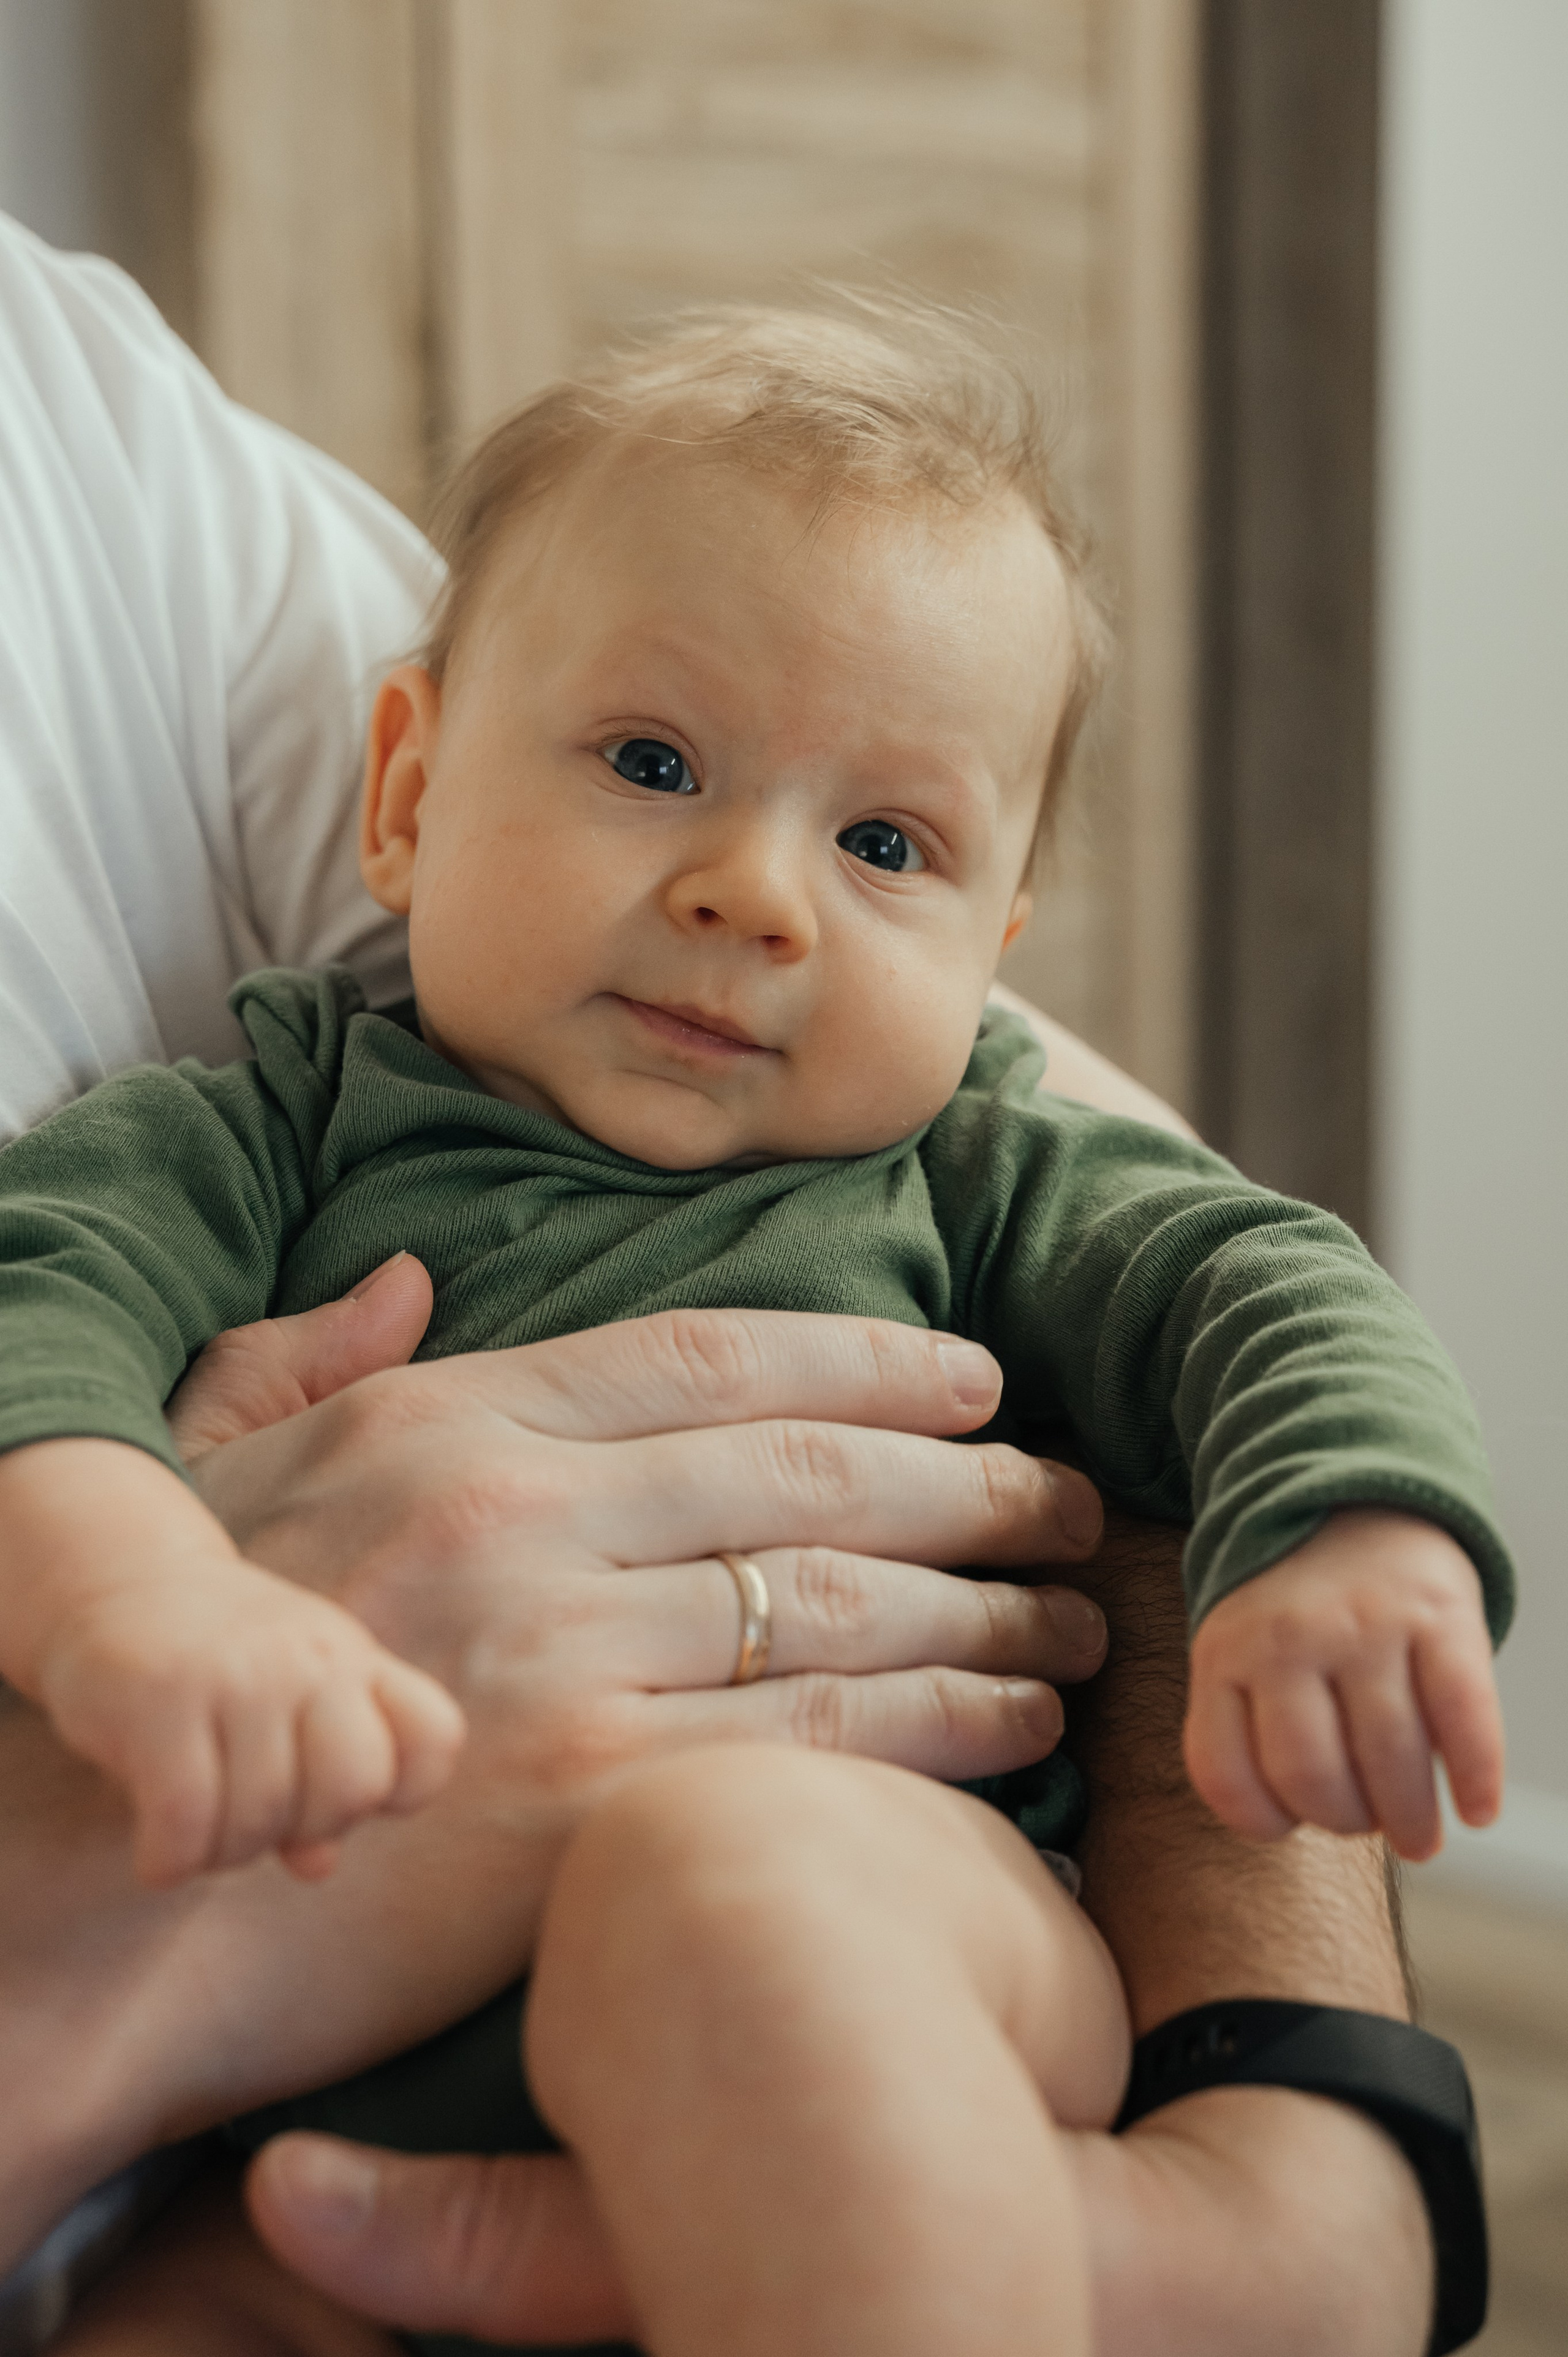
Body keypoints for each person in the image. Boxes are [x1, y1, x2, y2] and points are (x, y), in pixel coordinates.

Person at [0, 287, 1506, 2357]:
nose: (757, 891)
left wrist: (1348, 1536)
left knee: (729, 1892)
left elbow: (1259, 1287)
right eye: (653, 761)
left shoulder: (969, 1166)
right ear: (408, 793)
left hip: (884, 1911)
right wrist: (142, 1600)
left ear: (991, 948)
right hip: (315, 2139)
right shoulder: (267, 1120)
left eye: (884, 842)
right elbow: (37, 1331)